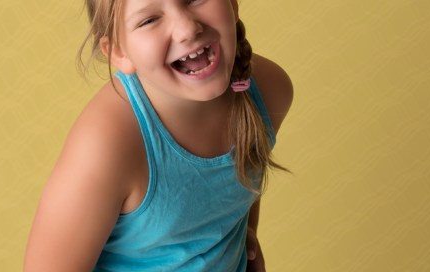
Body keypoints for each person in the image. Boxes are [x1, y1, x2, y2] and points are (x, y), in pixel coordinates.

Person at [24, 0, 294, 271]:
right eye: (149, 20)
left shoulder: (270, 91)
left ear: (232, 4)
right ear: (119, 52)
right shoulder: (107, 144)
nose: (187, 29)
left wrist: (247, 232)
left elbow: (239, 186)